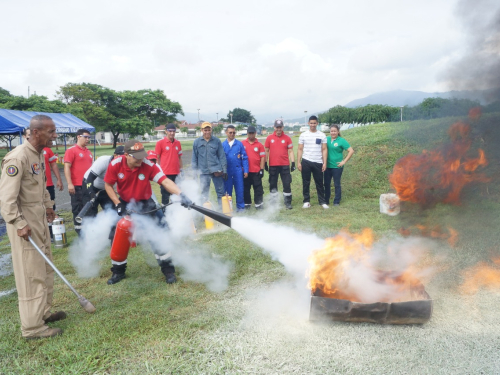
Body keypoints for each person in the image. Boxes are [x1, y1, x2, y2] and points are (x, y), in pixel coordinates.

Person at [0, 115, 65, 339]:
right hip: (24, 221)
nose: (55, 135)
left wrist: (48, 206)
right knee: (30, 274)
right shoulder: (17, 158)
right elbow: (6, 199)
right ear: (36, 132)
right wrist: (19, 223)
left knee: (45, 267)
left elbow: (41, 186)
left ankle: (43, 314)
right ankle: (32, 327)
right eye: (51, 131)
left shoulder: (38, 154)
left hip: (38, 218)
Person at [104, 140, 192, 285]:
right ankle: (118, 272)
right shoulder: (115, 164)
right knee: (117, 235)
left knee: (157, 236)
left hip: (146, 203)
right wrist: (118, 204)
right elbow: (108, 185)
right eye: (137, 156)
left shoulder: (148, 165)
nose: (141, 159)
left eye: (142, 155)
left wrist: (181, 194)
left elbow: (165, 181)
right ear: (126, 155)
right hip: (125, 202)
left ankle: (168, 270)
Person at [24, 128, 63, 240]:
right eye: (28, 136)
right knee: (36, 210)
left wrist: (59, 179)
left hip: (47, 185)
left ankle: (51, 232)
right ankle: (39, 233)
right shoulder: (23, 153)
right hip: (33, 188)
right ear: (25, 137)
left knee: (50, 208)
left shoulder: (45, 150)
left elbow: (54, 165)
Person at [81, 146, 125, 218]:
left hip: (106, 188)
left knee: (112, 211)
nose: (123, 159)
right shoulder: (103, 161)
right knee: (91, 212)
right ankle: (90, 228)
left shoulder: (125, 164)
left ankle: (111, 228)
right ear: (115, 155)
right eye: (121, 157)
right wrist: (91, 193)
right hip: (91, 185)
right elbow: (90, 178)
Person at [64, 129, 93, 235]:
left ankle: (89, 230)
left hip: (88, 186)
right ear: (78, 137)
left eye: (89, 137)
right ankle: (80, 232)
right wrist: (69, 183)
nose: (87, 139)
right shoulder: (71, 151)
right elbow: (67, 167)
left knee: (89, 208)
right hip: (76, 185)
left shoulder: (89, 152)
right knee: (78, 209)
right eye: (85, 137)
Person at [191, 122, 227, 208]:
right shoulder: (197, 142)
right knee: (204, 194)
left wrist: (224, 170)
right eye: (205, 130)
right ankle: (205, 214)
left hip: (216, 170)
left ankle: (221, 212)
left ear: (211, 130)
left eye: (209, 130)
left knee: (220, 192)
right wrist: (194, 173)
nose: (207, 132)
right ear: (202, 130)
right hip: (203, 171)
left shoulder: (217, 141)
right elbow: (194, 158)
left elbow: (222, 156)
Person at [297, 115, 328, 209]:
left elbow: (324, 149)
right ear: (308, 123)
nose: (313, 125)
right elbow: (300, 149)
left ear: (317, 123)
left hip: (318, 161)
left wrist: (324, 163)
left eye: (314, 123)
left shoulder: (322, 135)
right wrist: (298, 162)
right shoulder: (303, 135)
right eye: (311, 123)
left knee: (319, 182)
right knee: (306, 182)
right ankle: (306, 201)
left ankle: (322, 201)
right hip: (306, 161)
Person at [264, 119, 295, 209]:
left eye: (280, 127)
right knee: (273, 184)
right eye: (277, 127)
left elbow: (291, 151)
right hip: (273, 165)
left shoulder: (287, 138)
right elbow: (266, 151)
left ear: (283, 127)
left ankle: (288, 202)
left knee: (287, 184)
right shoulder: (269, 138)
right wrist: (265, 162)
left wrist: (293, 163)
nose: (278, 129)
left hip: (284, 165)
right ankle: (273, 203)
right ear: (274, 127)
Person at [324, 124, 354, 206]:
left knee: (336, 184)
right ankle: (326, 200)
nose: (333, 133)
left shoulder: (341, 140)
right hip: (327, 166)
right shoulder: (326, 139)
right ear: (330, 131)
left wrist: (344, 161)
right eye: (331, 131)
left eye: (335, 131)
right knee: (326, 184)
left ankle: (336, 201)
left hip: (337, 167)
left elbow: (351, 151)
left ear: (338, 131)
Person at [155, 123, 183, 205]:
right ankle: (165, 213)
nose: (172, 133)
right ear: (166, 131)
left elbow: (179, 158)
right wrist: (159, 172)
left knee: (177, 195)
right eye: (170, 131)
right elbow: (157, 159)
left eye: (173, 131)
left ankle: (175, 213)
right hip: (165, 174)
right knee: (165, 196)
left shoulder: (178, 143)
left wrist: (181, 170)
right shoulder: (160, 143)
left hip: (176, 173)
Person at [222, 125, 249, 212]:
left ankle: (240, 207)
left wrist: (246, 170)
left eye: (234, 132)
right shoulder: (223, 145)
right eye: (230, 132)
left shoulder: (239, 144)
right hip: (227, 171)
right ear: (226, 133)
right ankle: (228, 208)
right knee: (227, 190)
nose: (232, 134)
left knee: (239, 189)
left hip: (237, 171)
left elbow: (244, 158)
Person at [242, 125, 265, 209]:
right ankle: (247, 203)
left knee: (258, 188)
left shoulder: (259, 145)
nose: (251, 135)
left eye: (252, 133)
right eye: (249, 133)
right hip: (246, 171)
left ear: (255, 133)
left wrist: (262, 169)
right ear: (247, 133)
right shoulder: (242, 144)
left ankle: (258, 204)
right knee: (246, 188)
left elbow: (262, 157)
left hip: (256, 171)